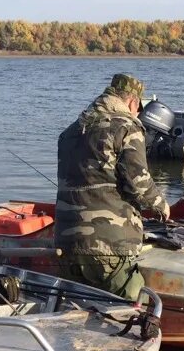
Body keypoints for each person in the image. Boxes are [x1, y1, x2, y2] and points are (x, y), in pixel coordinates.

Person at [55, 73, 169, 302]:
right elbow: (139, 182)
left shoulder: (70, 131)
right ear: (133, 102)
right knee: (133, 311)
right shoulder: (125, 126)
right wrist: (162, 206)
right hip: (109, 246)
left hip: (65, 243)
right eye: (138, 108)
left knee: (77, 314)